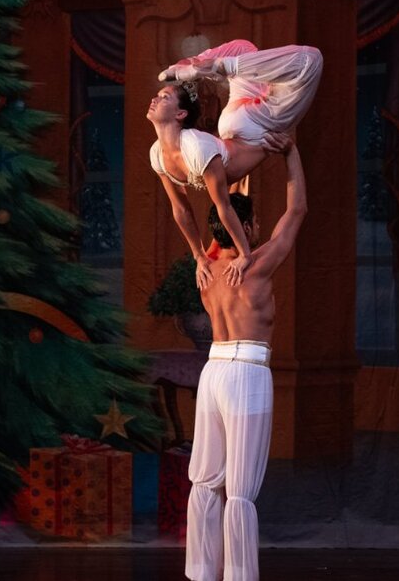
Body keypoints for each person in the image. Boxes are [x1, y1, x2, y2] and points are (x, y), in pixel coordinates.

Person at [185, 133, 306, 581]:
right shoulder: (257, 265)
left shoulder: (205, 268)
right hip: (246, 373)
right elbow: (296, 212)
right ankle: (238, 576)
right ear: (249, 231)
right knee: (238, 491)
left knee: (205, 480)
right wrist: (290, 155)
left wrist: (233, 160)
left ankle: (200, 573)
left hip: (212, 370)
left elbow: (224, 210)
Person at [148, 40, 321, 289]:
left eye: (163, 97)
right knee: (252, 50)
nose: (154, 99)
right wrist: (198, 256)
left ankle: (210, 65)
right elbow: (182, 210)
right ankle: (198, 64)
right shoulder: (157, 154)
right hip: (247, 125)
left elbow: (224, 206)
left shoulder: (198, 146)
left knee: (308, 59)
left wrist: (244, 255)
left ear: (181, 114)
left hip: (252, 127)